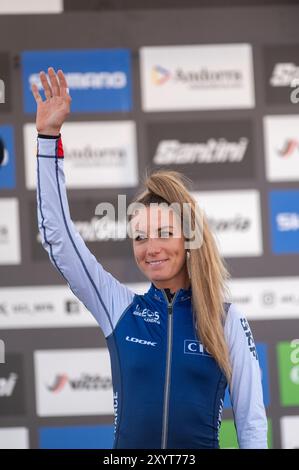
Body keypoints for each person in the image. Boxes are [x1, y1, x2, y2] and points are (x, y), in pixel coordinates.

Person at [31, 67, 268, 449]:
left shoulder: (225, 320)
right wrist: (48, 139)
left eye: (163, 233)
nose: (150, 247)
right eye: (139, 236)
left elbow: (252, 425)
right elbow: (57, 237)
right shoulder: (119, 308)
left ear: (188, 238)